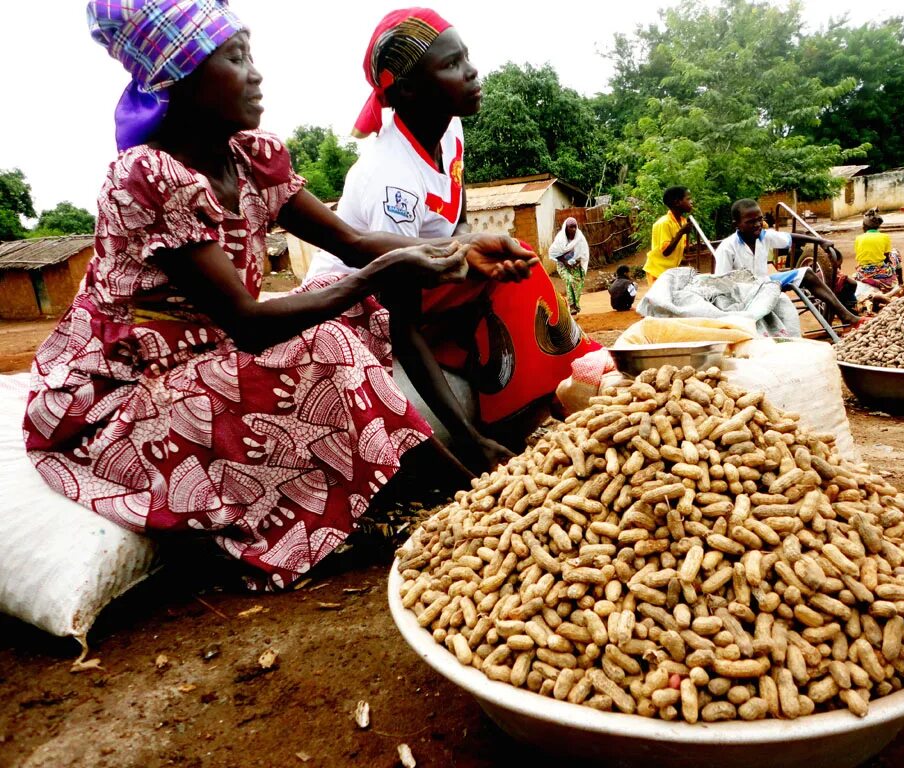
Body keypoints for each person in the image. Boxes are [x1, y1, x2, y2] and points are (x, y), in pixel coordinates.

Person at [23, 0, 535, 591]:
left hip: (208, 356)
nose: (256, 73)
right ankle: (462, 495)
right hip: (125, 390)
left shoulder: (252, 158)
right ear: (181, 77)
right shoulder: (146, 176)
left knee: (366, 314)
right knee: (329, 341)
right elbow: (249, 323)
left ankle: (442, 476)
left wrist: (458, 250)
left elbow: (348, 238)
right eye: (236, 58)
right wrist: (379, 273)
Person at [304, 8, 600, 441]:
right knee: (520, 283)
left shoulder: (449, 130)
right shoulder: (391, 179)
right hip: (361, 305)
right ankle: (510, 414)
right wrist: (469, 441)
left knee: (519, 264)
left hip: (428, 280)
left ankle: (547, 390)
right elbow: (399, 320)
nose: (472, 71)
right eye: (451, 64)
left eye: (466, 56)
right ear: (407, 90)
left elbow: (455, 227)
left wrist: (474, 252)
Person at [714, 199, 860, 326]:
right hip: (743, 292)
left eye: (760, 219)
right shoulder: (727, 248)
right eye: (751, 222)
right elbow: (720, 284)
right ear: (737, 224)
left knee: (807, 274)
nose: (758, 224)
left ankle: (846, 315)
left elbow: (790, 238)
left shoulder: (764, 237)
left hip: (765, 283)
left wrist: (820, 241)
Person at [643, 186, 693, 286]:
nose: (691, 202)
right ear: (677, 202)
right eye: (688, 199)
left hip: (670, 272)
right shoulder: (664, 223)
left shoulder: (682, 221)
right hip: (658, 271)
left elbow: (680, 246)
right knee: (662, 300)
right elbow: (666, 251)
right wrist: (681, 232)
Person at [549, 217, 590, 315]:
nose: (574, 229)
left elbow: (584, 253)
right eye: (571, 227)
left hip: (575, 265)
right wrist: (565, 261)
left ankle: (576, 306)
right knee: (569, 280)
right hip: (562, 265)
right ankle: (571, 306)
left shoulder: (579, 238)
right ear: (566, 228)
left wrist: (577, 262)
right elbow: (553, 253)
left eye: (575, 227)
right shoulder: (560, 239)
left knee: (577, 285)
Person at [854, 213, 903, 291]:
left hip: (863, 272)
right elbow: (887, 257)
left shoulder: (858, 238)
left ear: (865, 226)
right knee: (895, 253)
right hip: (880, 271)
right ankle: (900, 283)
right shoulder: (885, 237)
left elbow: (860, 255)